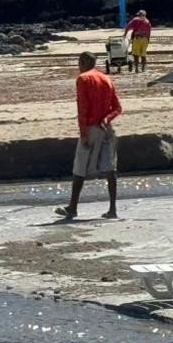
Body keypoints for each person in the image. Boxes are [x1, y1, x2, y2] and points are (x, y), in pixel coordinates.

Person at [55, 51, 121, 220]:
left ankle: (73, 207)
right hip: (107, 128)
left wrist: (83, 133)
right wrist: (106, 119)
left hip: (91, 127)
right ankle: (113, 209)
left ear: (83, 62)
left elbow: (82, 108)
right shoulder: (106, 79)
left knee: (80, 167)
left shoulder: (83, 79)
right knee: (110, 168)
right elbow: (118, 108)